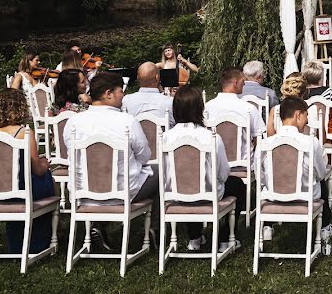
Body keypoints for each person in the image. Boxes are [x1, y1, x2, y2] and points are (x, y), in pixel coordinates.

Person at [63, 72, 158, 249]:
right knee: (160, 172)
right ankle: (155, 229)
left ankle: (99, 225)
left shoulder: (73, 122)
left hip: (83, 193)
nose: (123, 95)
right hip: (121, 193)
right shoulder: (127, 121)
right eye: (120, 91)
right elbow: (145, 156)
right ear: (108, 93)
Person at [162, 85, 242, 253]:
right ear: (200, 108)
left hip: (175, 193)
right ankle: (225, 238)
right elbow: (223, 173)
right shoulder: (211, 136)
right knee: (238, 185)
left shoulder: (166, 137)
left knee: (189, 185)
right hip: (208, 193)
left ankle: (194, 237)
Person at [0, 88, 55, 253]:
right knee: (47, 178)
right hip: (23, 190)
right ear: (20, 107)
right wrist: (46, 163)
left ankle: (16, 244)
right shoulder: (24, 133)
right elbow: (37, 169)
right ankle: (39, 241)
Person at [260, 97, 332, 240]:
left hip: (272, 196)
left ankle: (267, 226)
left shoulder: (265, 143)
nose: (306, 121)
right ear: (298, 114)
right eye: (306, 116)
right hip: (306, 195)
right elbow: (321, 173)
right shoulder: (311, 141)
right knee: (321, 182)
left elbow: (260, 175)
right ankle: (325, 227)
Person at [206, 67, 266, 168]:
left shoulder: (207, 107)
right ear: (235, 83)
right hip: (244, 165)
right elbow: (259, 139)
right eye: (243, 81)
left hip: (214, 165)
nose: (245, 84)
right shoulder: (249, 108)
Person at [121, 62, 175, 127]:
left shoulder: (126, 100)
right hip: (163, 136)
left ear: (138, 78)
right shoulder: (170, 102)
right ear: (157, 77)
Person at [302, 61, 332, 142]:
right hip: (327, 132)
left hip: (305, 132)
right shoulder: (329, 92)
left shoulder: (302, 93)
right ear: (320, 76)